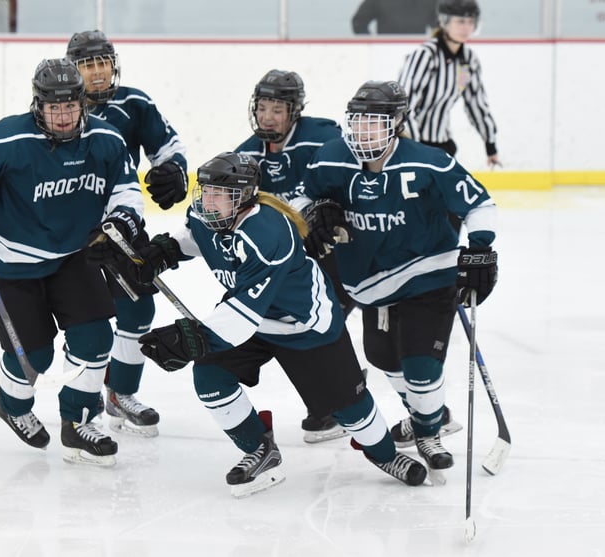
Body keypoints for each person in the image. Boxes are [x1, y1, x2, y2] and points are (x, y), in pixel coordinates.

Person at [132, 152, 429, 497]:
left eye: (219, 194)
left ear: (243, 198)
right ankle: (259, 447)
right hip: (253, 318)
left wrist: (191, 339)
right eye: (206, 191)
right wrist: (162, 253)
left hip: (303, 324)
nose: (208, 202)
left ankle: (385, 454)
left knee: (350, 410)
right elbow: (195, 238)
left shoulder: (267, 233)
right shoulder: (206, 215)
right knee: (210, 377)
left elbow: (243, 313)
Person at [0, 58, 147, 467]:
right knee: (33, 357)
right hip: (10, 261)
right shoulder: (6, 140)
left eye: (70, 106)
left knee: (96, 341)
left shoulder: (106, 139)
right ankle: (12, 404)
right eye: (54, 107)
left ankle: (78, 421)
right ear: (39, 105)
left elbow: (126, 191)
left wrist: (120, 223)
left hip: (73, 256)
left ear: (82, 103)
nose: (62, 115)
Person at [291, 80, 498, 473]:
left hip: (430, 275)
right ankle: (426, 417)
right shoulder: (331, 158)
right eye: (358, 121)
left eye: (374, 122)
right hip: (370, 283)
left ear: (398, 122)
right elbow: (300, 196)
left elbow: (480, 203)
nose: (363, 130)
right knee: (383, 358)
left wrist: (481, 247)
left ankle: (427, 430)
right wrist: (315, 210)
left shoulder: (428, 161)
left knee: (421, 366)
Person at [66, 30, 189, 437]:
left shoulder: (133, 103)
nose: (97, 72)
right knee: (82, 322)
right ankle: (78, 405)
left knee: (138, 311)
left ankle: (119, 392)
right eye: (87, 64)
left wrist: (173, 171)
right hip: (69, 232)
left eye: (102, 63)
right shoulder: (59, 107)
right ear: (73, 69)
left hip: (122, 226)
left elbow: (169, 148)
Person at [234, 69, 354, 444]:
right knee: (302, 324)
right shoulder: (247, 153)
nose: (268, 117)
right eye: (263, 108)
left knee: (324, 321)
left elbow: (352, 178)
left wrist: (330, 207)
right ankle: (335, 399)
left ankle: (343, 397)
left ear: (295, 111)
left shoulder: (323, 137)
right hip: (293, 258)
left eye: (277, 109)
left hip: (340, 248)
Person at [397, 0, 500, 168]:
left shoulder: (467, 61)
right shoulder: (426, 55)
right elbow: (404, 105)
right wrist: (414, 148)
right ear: (444, 22)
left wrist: (491, 146)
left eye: (470, 22)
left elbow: (476, 104)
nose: (466, 28)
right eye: (460, 21)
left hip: (443, 145)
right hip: (414, 143)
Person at [352, 0, 438, 35]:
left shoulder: (429, 1)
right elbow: (359, 22)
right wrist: (372, 44)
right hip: (384, 53)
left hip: (418, 52)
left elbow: (440, 27)